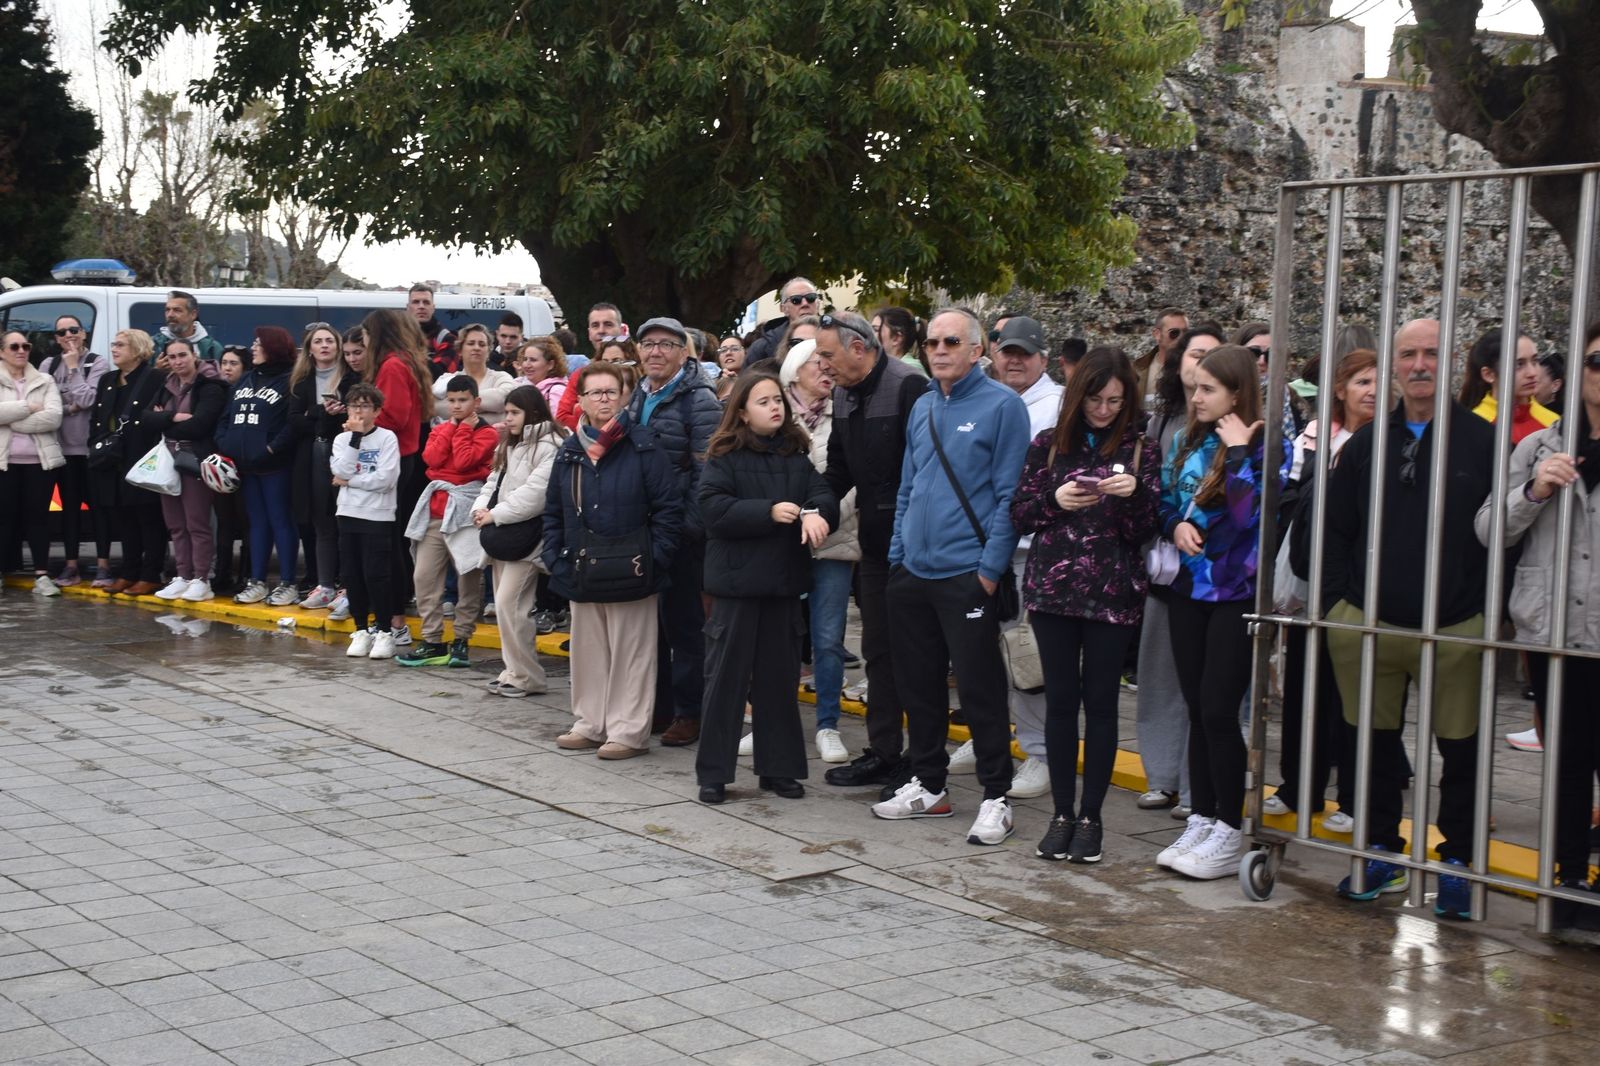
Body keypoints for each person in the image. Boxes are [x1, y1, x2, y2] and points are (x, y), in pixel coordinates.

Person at [1322, 318, 1494, 918]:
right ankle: (1378, 853)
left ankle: (1457, 863)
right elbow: (1337, 531)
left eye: (1431, 354)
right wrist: (1341, 608)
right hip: (1372, 622)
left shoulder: (1484, 442)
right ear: (1393, 364)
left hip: (1456, 625)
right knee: (1370, 745)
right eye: (1408, 354)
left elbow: (1505, 539)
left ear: (1450, 364)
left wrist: (1484, 615)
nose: (1419, 365)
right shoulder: (1367, 445)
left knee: (1462, 749)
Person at [871, 308, 1031, 848]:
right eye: (932, 342)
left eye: (951, 341)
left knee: (981, 689)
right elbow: (910, 485)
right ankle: (929, 784)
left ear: (977, 349)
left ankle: (995, 797)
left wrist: (989, 572)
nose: (938, 350)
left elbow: (1011, 496)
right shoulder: (921, 406)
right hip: (913, 571)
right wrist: (898, 555)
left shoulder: (1004, 407)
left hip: (967, 573)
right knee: (918, 686)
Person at [1012, 347, 1160, 862]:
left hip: (1112, 596)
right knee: (1059, 703)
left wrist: (1133, 494)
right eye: (1095, 399)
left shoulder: (1144, 447)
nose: (1104, 410)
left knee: (1100, 707)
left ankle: (1091, 817)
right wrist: (1056, 501)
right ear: (1078, 397)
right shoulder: (1050, 445)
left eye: (1115, 401)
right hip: (1053, 592)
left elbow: (1145, 529)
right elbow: (1020, 513)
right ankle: (1060, 814)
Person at [1479, 323, 1600, 942]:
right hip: (1553, 631)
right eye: (1596, 361)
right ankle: (1568, 881)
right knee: (1568, 764)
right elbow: (1488, 528)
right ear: (1576, 370)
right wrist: (1533, 490)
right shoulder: (1543, 445)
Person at [1154, 344, 1282, 880]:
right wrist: (1172, 525)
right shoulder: (1187, 440)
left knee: (1218, 710)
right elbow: (1161, 496)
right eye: (1194, 387)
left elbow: (1249, 514)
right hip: (1188, 590)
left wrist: (1238, 454)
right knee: (1194, 707)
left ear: (1236, 393)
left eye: (1208, 389)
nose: (1196, 397)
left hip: (1235, 595)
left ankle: (1232, 825)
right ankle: (1203, 816)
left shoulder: (1264, 445)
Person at [696, 373, 838, 803]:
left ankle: (779, 770)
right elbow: (712, 509)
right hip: (737, 589)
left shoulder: (796, 455)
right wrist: (767, 512)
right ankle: (715, 774)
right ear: (741, 411)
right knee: (725, 682)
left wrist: (818, 514)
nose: (775, 407)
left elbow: (823, 495)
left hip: (781, 586)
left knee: (778, 682)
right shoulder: (724, 457)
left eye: (778, 399)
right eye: (763, 401)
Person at [543, 362, 684, 758]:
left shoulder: (643, 445)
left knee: (633, 654)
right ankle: (590, 723)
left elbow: (669, 510)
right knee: (588, 653)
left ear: (623, 396)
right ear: (582, 400)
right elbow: (553, 511)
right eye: (595, 393)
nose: (604, 399)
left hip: (634, 569)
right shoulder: (570, 451)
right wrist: (556, 557)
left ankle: (628, 732)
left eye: (611, 392)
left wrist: (655, 558)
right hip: (583, 567)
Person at [1266, 348, 1378, 833]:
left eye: (1377, 382)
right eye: (1361, 383)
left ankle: (1354, 796)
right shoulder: (1312, 439)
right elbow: (1289, 497)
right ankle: (1298, 787)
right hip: (1313, 578)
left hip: (1362, 586)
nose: (1371, 391)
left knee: (1356, 696)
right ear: (1339, 391)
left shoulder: (1386, 441)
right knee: (1305, 688)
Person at [948, 315, 1060, 799]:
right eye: (1007, 351)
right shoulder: (987, 399)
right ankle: (989, 733)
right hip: (986, 544)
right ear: (992, 353)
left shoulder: (1053, 406)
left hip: (1031, 550)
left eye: (1025, 353)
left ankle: (1039, 753)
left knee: (1026, 657)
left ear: (1043, 359)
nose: (1014, 360)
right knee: (984, 652)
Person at [814, 311, 926, 793]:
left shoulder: (909, 387)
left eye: (827, 355)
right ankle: (884, 751)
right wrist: (814, 506)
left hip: (916, 546)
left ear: (858, 348)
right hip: (874, 546)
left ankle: (922, 760)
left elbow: (923, 472)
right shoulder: (842, 393)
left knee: (916, 656)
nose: (822, 365)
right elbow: (838, 467)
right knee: (877, 651)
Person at [738, 340, 858, 764]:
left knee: (827, 640)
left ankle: (827, 724)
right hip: (778, 543)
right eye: (816, 363)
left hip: (832, 541)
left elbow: (849, 479)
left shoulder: (844, 412)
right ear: (793, 370)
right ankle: (770, 721)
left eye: (830, 362)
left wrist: (818, 518)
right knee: (775, 638)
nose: (827, 369)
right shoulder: (770, 413)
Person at [1134, 323, 1224, 817]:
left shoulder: (1235, 429)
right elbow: (1155, 489)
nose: (1200, 364)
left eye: (1212, 356)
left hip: (1214, 577)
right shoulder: (1163, 419)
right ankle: (1162, 775)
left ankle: (1196, 791)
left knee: (1204, 688)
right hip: (1164, 568)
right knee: (1160, 677)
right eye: (1194, 355)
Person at [626, 316, 724, 746]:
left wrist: (686, 527)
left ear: (685, 352)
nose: (655, 352)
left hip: (682, 532)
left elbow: (708, 471)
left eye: (666, 344)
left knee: (685, 627)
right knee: (652, 626)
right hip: (643, 527)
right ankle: (658, 707)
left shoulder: (699, 399)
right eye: (648, 344)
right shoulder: (637, 394)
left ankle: (690, 712)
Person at [396, 375, 499, 668]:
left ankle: (462, 640)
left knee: (468, 578)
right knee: (424, 577)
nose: (456, 406)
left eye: (463, 400)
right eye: (452, 401)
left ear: (476, 402)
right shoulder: (442, 428)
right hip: (435, 511)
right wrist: (454, 430)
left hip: (466, 511)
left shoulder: (488, 433)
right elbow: (431, 458)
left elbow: (465, 462)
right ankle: (432, 641)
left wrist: (463, 433)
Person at [472, 385, 566, 696]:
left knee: (510, 604)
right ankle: (513, 670)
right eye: (506, 412)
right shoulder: (512, 444)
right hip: (506, 533)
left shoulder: (550, 445)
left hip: (528, 539)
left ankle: (528, 676)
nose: (508, 418)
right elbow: (493, 481)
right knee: (505, 608)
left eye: (514, 412)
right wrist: (480, 508)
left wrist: (494, 514)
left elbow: (535, 495)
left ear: (532, 412)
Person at [215, 327, 302, 606]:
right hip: (245, 467)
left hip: (275, 465)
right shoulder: (246, 378)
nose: (253, 348)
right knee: (257, 524)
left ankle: (288, 582)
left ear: (273, 347)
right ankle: (257, 581)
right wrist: (224, 443)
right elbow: (226, 417)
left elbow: (292, 423)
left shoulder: (290, 380)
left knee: (281, 521)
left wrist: (271, 448)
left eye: (258, 344)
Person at [136, 338, 225, 602]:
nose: (177, 361)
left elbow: (200, 426)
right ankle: (182, 576)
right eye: (172, 357)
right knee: (175, 524)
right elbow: (145, 419)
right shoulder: (166, 385)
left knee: (197, 522)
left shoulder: (210, 386)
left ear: (194, 354)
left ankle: (201, 579)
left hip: (194, 459)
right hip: (167, 460)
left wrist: (163, 420)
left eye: (182, 355)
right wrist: (172, 418)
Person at [363, 309, 434, 639]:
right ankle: (394, 604)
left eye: (365, 335)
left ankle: (393, 610)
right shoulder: (404, 361)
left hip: (396, 457)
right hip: (403, 456)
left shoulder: (392, 365)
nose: (362, 341)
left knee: (388, 540)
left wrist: (360, 420)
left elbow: (397, 416)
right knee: (391, 538)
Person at [87, 330, 168, 596]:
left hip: (140, 457)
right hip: (111, 461)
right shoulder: (108, 379)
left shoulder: (155, 378)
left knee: (147, 518)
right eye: (114, 344)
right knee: (123, 519)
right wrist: (96, 443)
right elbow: (98, 415)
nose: (114, 349)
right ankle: (128, 572)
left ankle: (150, 574)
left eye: (120, 345)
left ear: (138, 349)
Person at [331, 383, 404, 660]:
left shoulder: (387, 438)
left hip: (378, 515)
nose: (358, 411)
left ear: (376, 410)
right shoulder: (342, 440)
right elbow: (339, 469)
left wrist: (350, 482)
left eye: (364, 406)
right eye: (353, 406)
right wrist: (356, 439)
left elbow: (385, 480)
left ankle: (384, 631)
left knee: (377, 575)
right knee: (353, 575)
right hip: (347, 513)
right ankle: (361, 628)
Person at [288, 324, 357, 609]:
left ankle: (347, 585)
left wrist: (315, 417)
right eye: (319, 341)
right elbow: (294, 420)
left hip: (343, 451)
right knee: (321, 521)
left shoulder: (351, 378)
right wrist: (320, 413)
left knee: (345, 520)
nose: (325, 345)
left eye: (330, 340)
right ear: (310, 348)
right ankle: (326, 584)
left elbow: (351, 418)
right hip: (312, 455)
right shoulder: (301, 380)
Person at [40, 314, 111, 589]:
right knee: (69, 510)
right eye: (61, 332)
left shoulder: (97, 362)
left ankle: (103, 565)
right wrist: (70, 405)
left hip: (91, 449)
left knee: (98, 509)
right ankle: (71, 566)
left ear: (83, 333)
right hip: (62, 449)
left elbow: (90, 398)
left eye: (74, 329)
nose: (68, 335)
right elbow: (45, 401)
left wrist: (72, 371)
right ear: (56, 338)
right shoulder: (48, 364)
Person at [0, 330, 65, 593]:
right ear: (2, 351)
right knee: (3, 517)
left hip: (40, 462)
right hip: (5, 462)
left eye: (25, 346)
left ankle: (41, 575)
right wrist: (28, 407)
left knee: (38, 518)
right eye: (14, 346)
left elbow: (54, 418)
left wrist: (10, 417)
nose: (21, 350)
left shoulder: (44, 380)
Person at [1460, 327, 1556, 445]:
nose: (1532, 373)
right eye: (1519, 364)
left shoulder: (1553, 423)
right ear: (1489, 374)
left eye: (1535, 361)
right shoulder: (1472, 426)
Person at [213, 347, 251, 594]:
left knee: (247, 523)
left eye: (233, 363)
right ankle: (222, 573)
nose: (227, 367)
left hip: (244, 464)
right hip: (220, 464)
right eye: (224, 362)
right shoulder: (218, 391)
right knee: (224, 523)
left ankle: (245, 575)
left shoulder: (247, 392)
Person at [434, 323, 515, 425]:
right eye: (471, 343)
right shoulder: (446, 379)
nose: (476, 348)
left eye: (482, 344)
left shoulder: (501, 377)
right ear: (460, 350)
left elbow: (502, 400)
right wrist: (492, 414)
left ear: (489, 351)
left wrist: (458, 414)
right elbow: (435, 407)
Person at [744, 277, 822, 368]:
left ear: (818, 304)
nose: (805, 304)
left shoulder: (836, 336)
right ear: (784, 308)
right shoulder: (762, 347)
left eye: (811, 298)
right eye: (796, 300)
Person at [1134, 306, 1188, 411]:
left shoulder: (1194, 369)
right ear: (1157, 334)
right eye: (1174, 333)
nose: (1181, 338)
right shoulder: (1139, 369)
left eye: (1186, 333)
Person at [154, 290, 223, 365]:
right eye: (167, 310)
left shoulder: (212, 348)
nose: (170, 315)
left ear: (193, 314)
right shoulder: (154, 345)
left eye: (177, 310)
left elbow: (222, 375)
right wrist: (157, 371)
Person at [408, 284, 458, 379]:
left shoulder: (447, 338)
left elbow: (443, 376)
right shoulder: (396, 337)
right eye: (416, 302)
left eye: (426, 302)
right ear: (408, 307)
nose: (421, 306)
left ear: (433, 308)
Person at [517, 336, 569, 417]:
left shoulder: (556, 391)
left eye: (533, 360)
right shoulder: (519, 385)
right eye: (525, 359)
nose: (527, 365)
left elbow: (559, 423)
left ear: (550, 364)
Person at [871, 307, 927, 375]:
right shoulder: (882, 366)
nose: (869, 334)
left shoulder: (911, 370)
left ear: (896, 338)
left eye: (876, 330)